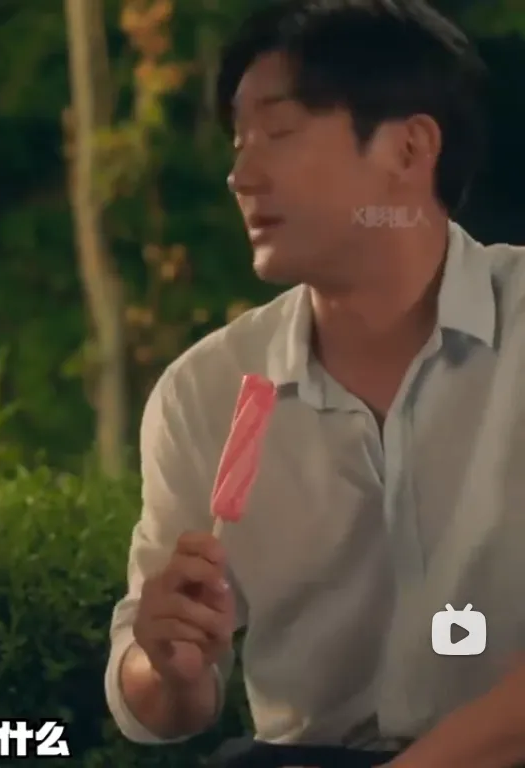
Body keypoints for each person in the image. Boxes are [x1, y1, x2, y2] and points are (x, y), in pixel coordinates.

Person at [105, 1, 525, 767]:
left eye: (279, 133)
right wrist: (167, 666)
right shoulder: (206, 389)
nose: (241, 175)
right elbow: (160, 707)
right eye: (238, 143)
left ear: (409, 148)